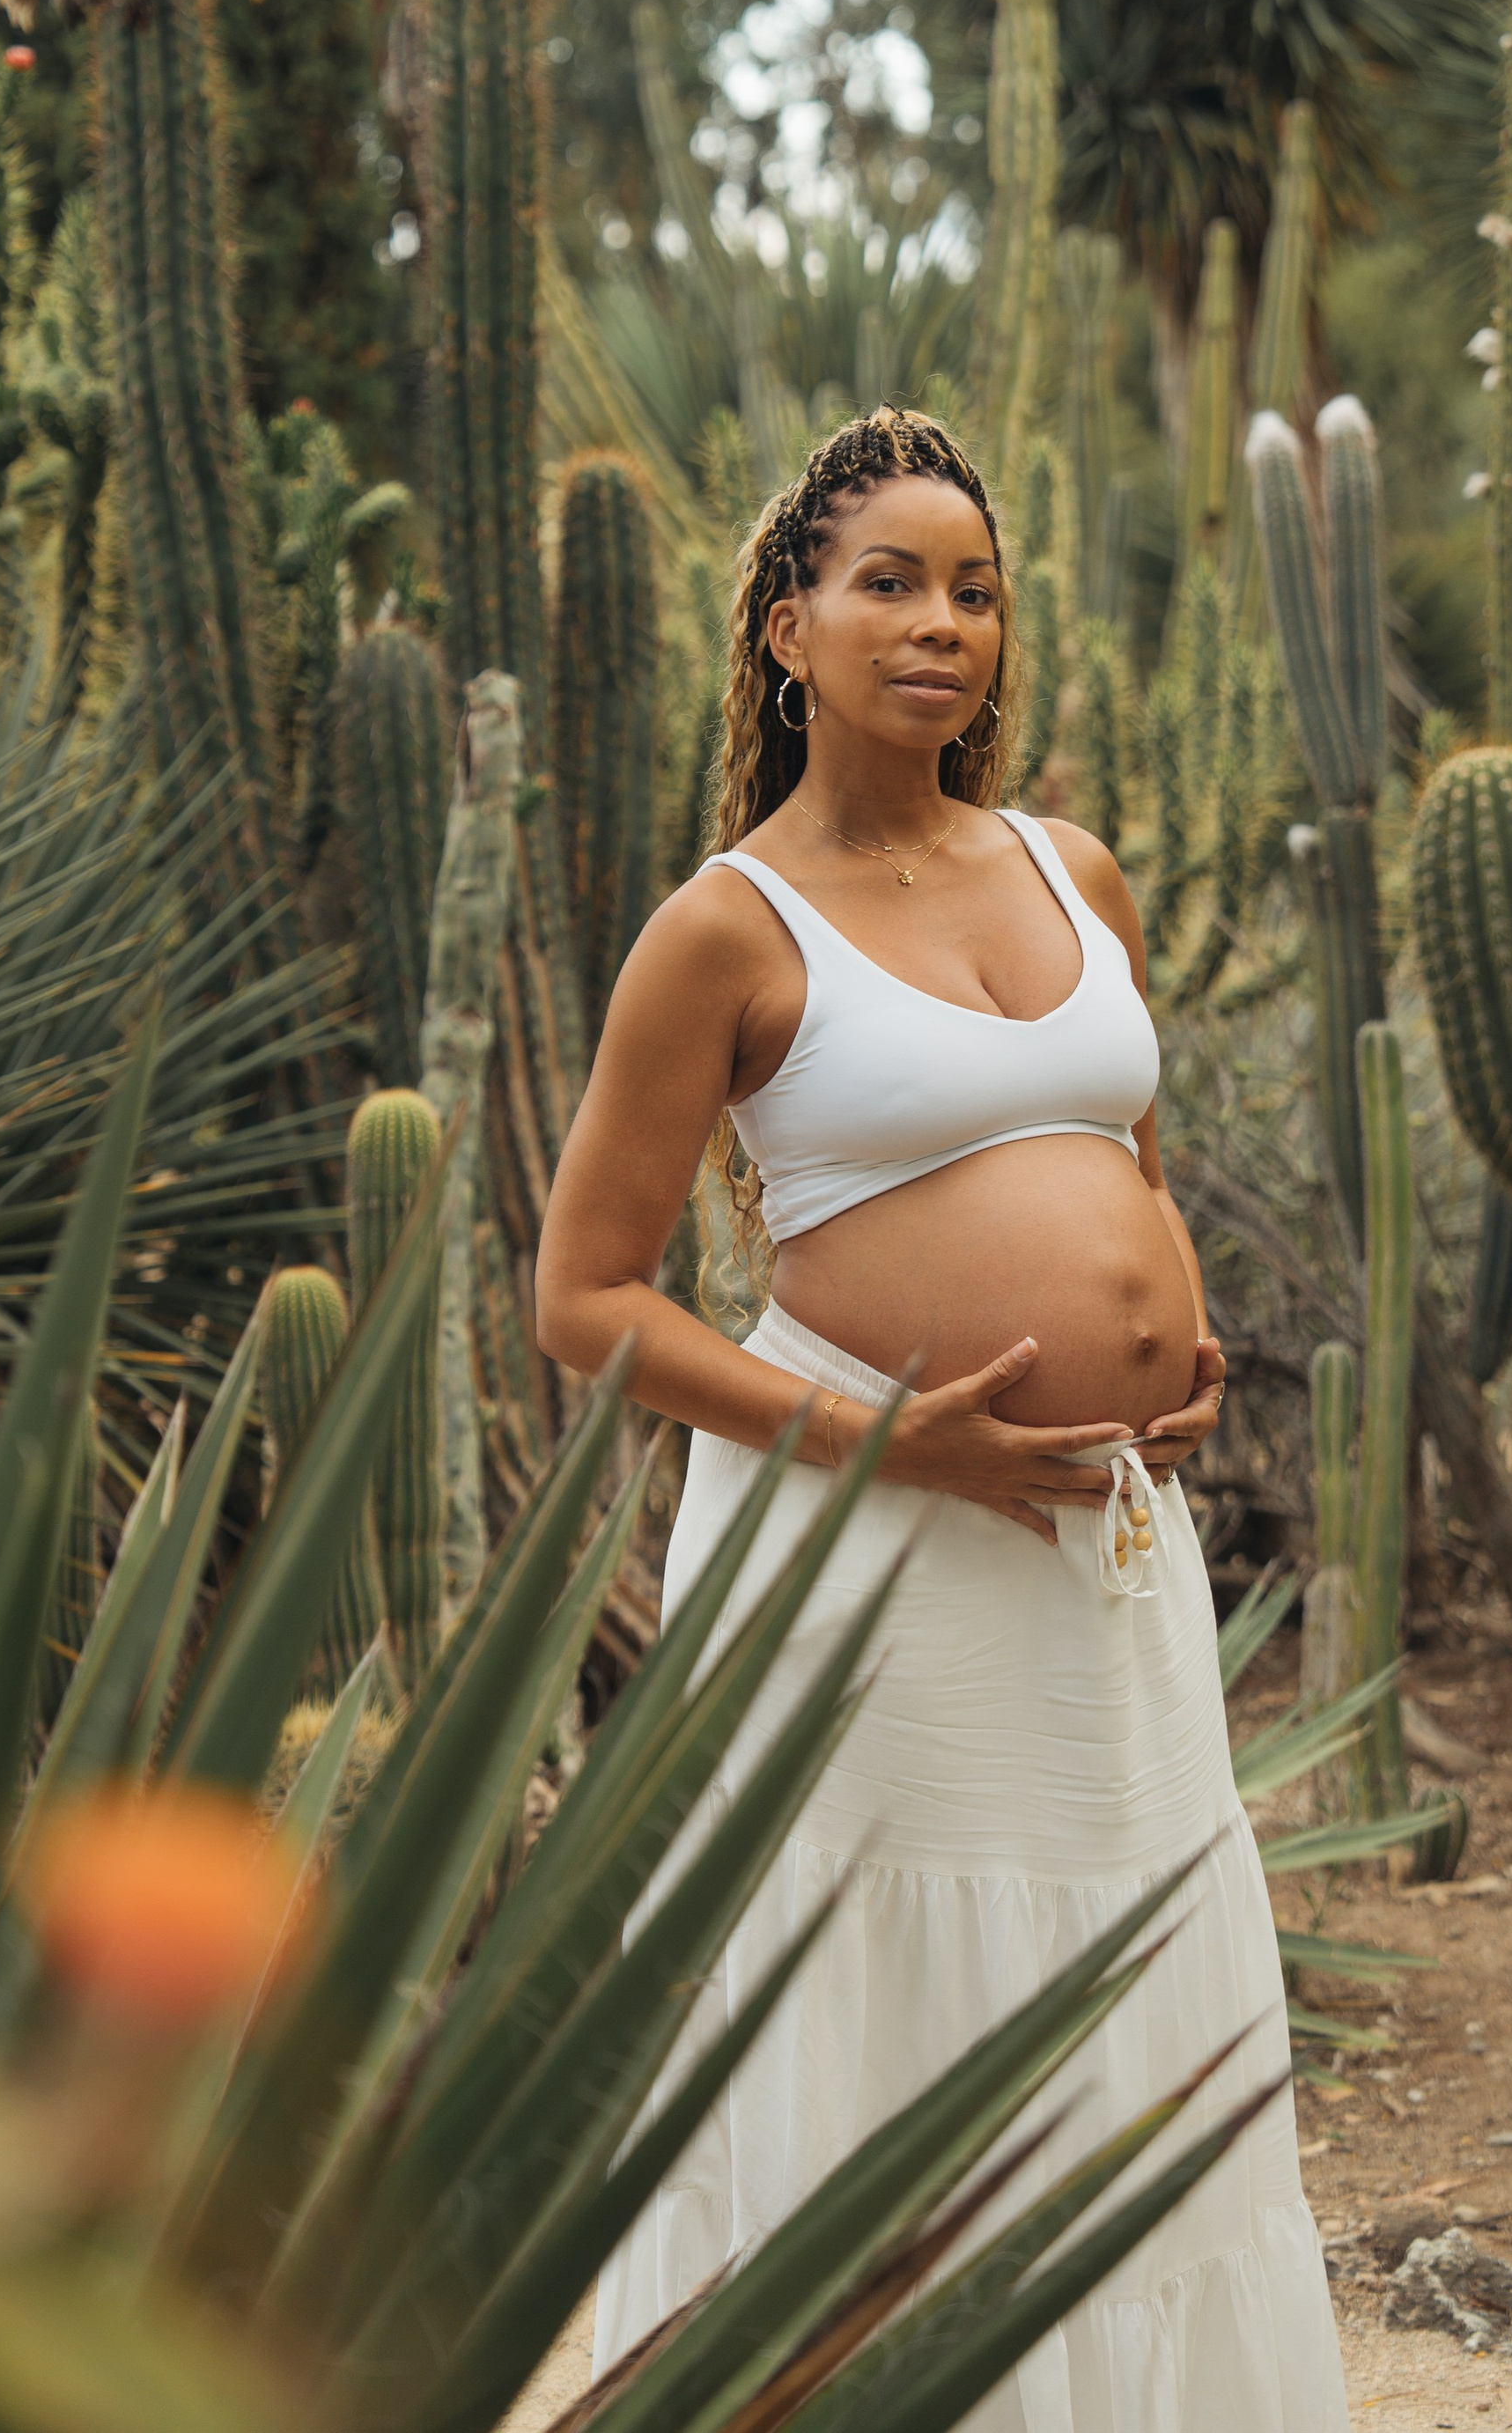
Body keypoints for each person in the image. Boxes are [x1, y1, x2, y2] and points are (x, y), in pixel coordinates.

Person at [536, 405, 1347, 2430]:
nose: (939, 622)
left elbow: (1121, 1159)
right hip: (860, 1553)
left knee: (1117, 1983)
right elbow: (581, 1300)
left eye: (972, 589)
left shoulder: (1073, 868)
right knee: (883, 1996)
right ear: (786, 628)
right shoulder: (726, 927)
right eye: (885, 581)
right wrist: (886, 1447)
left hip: (1092, 1553)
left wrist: (1162, 1340)